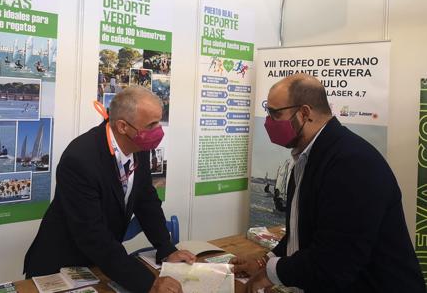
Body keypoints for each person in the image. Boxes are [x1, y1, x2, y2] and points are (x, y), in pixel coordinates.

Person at [231, 74, 424, 293]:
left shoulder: (351, 163)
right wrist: (263, 262)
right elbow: (301, 232)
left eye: (275, 113)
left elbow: (334, 262)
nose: (268, 122)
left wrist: (270, 273)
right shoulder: (306, 159)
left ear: (304, 113)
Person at [23, 87, 195, 292]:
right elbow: (92, 234)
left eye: (159, 121)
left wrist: (166, 249)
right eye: (152, 125)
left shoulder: (139, 148)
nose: (158, 131)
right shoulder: (80, 158)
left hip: (102, 264)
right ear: (123, 126)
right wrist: (149, 283)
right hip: (61, 266)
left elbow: (146, 201)